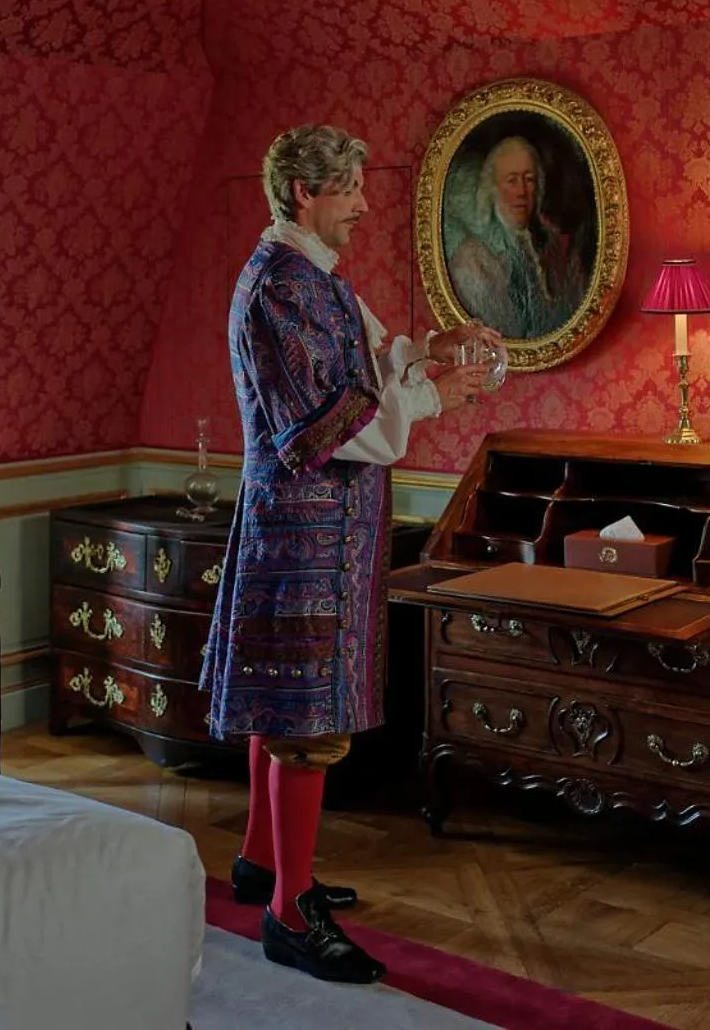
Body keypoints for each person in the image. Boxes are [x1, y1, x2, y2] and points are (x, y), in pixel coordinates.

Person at [201, 124, 498, 984]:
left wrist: (430, 353)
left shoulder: (313, 279)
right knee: (304, 720)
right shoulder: (276, 289)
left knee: (286, 708)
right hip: (301, 533)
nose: (367, 205)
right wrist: (434, 397)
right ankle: (289, 915)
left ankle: (266, 864)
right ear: (304, 192)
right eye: (352, 190)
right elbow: (321, 427)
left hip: (327, 534)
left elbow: (371, 352)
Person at [446, 135, 589, 339]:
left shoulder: (551, 246)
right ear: (492, 189)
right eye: (511, 180)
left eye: (529, 179)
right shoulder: (474, 258)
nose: (522, 192)